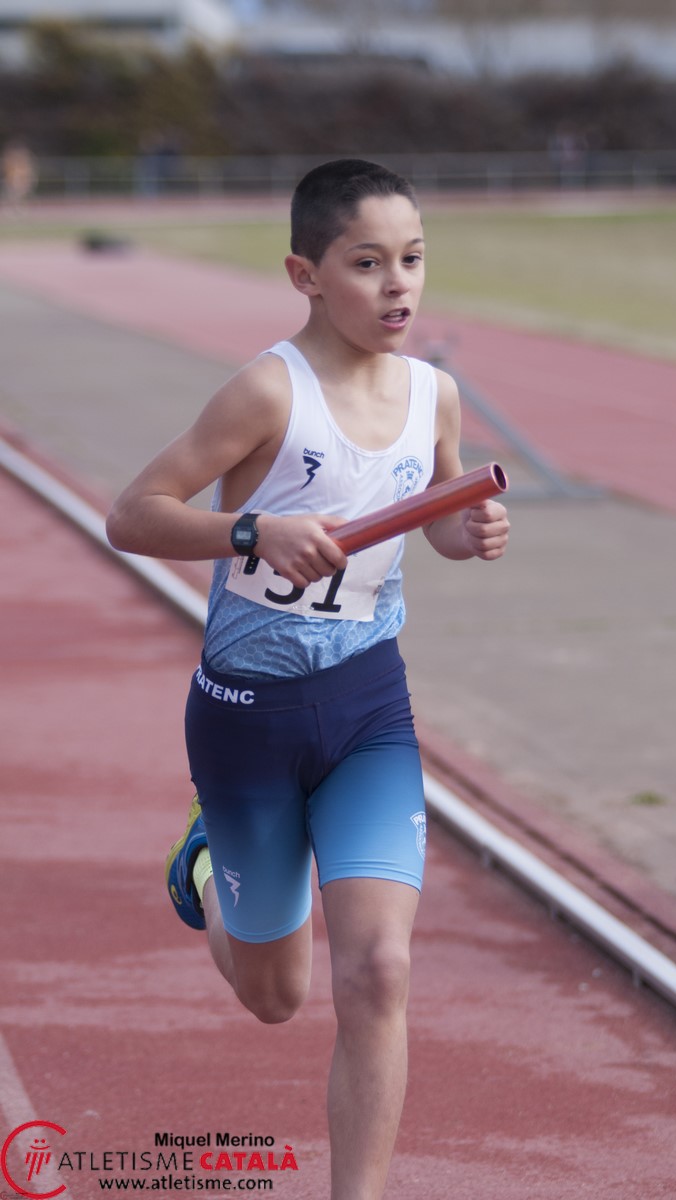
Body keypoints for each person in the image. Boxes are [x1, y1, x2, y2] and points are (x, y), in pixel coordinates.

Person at [106, 158, 510, 1200]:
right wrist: (253, 529)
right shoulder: (266, 392)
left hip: (368, 710)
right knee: (276, 995)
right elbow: (132, 514)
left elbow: (437, 519)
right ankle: (205, 863)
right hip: (248, 719)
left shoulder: (432, 394)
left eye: (411, 259)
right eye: (366, 263)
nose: (396, 283)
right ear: (305, 275)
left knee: (378, 971)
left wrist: (468, 531)